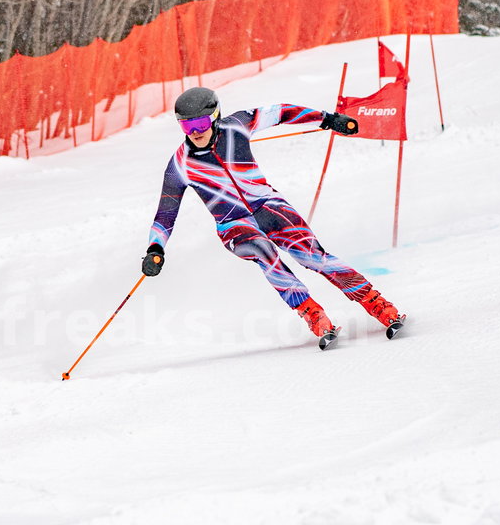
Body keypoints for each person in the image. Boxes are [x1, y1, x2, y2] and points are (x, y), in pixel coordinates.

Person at [141, 86, 404, 348]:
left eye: (199, 123)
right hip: (233, 224)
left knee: (312, 257)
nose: (195, 132)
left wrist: (328, 119)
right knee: (264, 252)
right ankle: (312, 312)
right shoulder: (180, 164)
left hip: (269, 205)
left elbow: (281, 113)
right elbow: (166, 212)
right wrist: (156, 248)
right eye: (187, 127)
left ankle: (376, 303)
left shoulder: (238, 125)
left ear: (215, 116)